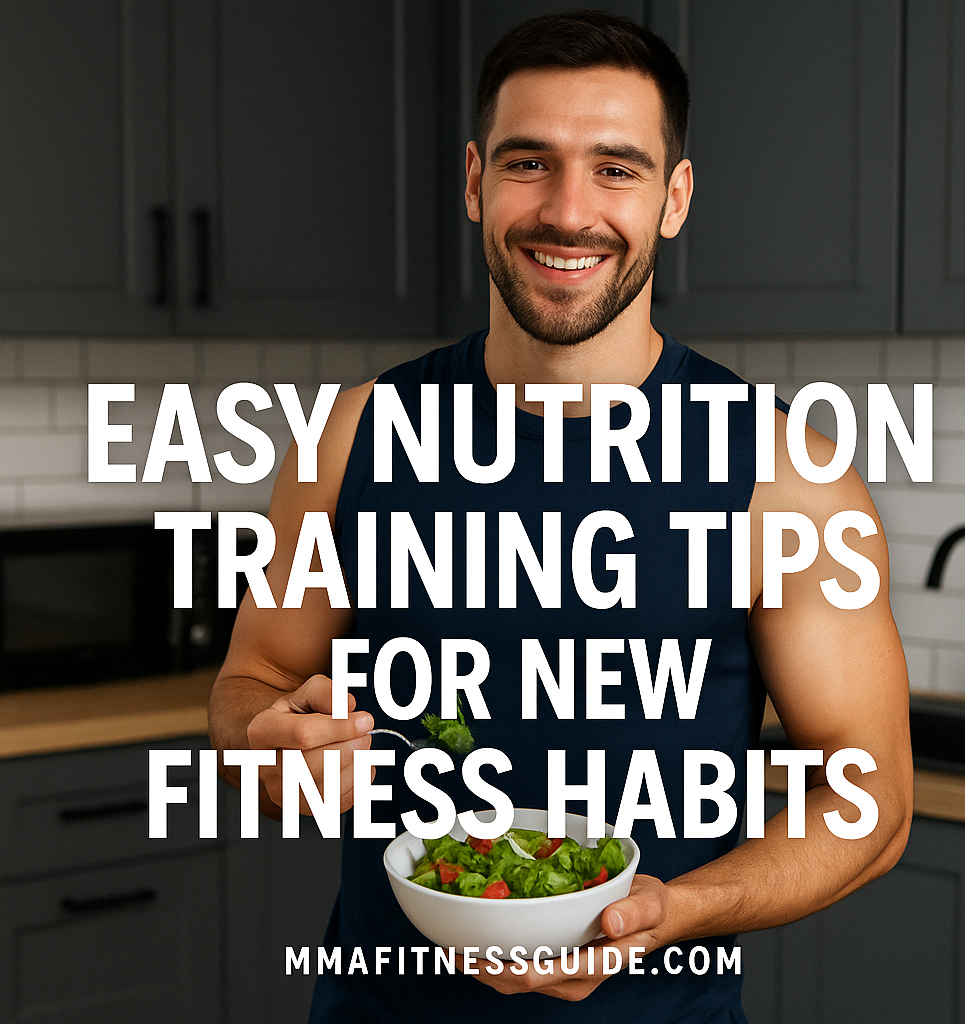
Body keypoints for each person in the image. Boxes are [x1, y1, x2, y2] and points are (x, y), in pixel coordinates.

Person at [208, 10, 913, 1022]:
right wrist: (262, 744)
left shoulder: (780, 470)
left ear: (674, 199)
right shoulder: (352, 437)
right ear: (472, 182)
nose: (569, 211)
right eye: (528, 162)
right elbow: (251, 678)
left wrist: (674, 909)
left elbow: (871, 799)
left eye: (616, 169)